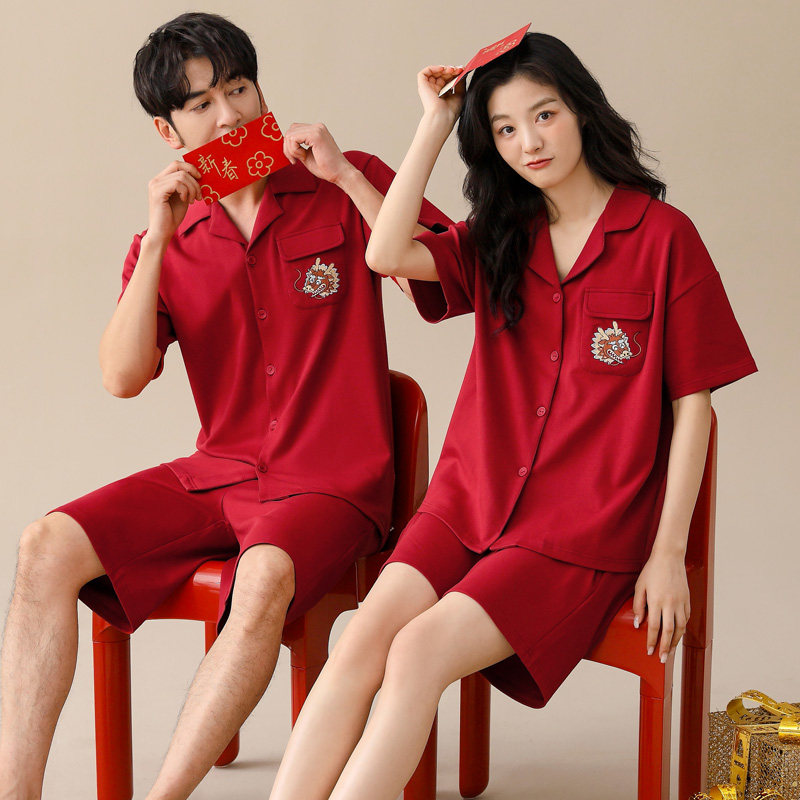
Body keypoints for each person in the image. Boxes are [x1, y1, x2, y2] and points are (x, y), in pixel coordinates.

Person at [267, 32, 758, 800]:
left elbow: (692, 406)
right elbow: (386, 252)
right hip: (466, 502)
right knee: (360, 639)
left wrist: (668, 553)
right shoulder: (501, 235)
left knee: (417, 652)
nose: (529, 141)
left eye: (544, 115)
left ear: (582, 111)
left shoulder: (665, 239)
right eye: (504, 128)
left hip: (578, 531)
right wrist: (435, 122)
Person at [0, 12, 449, 800]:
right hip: (222, 473)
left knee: (264, 573)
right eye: (202, 104)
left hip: (333, 483)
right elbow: (122, 376)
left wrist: (348, 179)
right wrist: (157, 240)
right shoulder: (170, 237)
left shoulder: (342, 182)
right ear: (168, 132)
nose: (231, 115)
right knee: (44, 546)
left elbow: (446, 272)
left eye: (240, 90)